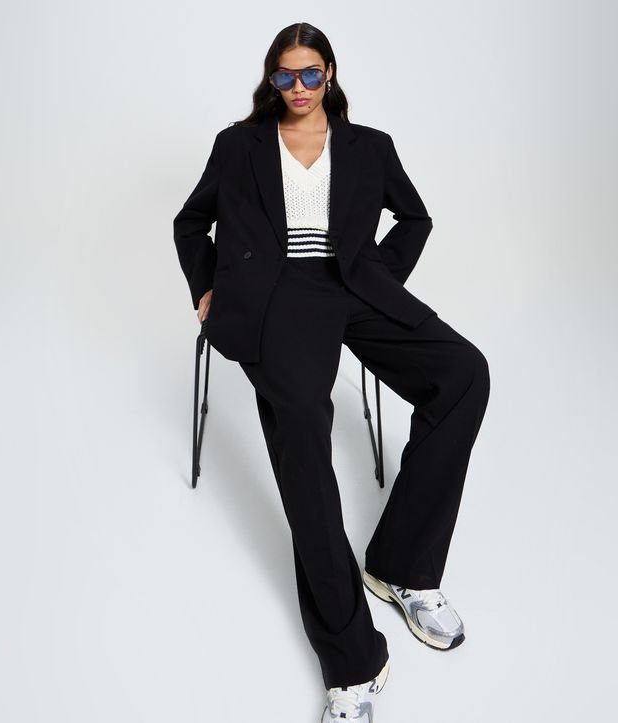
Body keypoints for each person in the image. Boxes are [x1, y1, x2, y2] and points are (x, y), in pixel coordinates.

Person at [173, 21, 490, 723]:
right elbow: (191, 223)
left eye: (310, 73)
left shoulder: (369, 146)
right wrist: (207, 285)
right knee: (303, 427)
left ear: (330, 74)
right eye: (285, 75)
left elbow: (414, 218)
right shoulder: (238, 145)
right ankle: (353, 661)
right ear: (272, 79)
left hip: (354, 287)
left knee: (465, 373)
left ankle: (402, 565)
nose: (298, 87)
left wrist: (378, 276)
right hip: (275, 299)